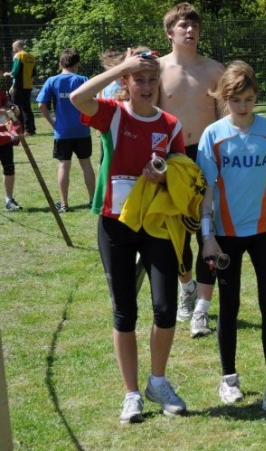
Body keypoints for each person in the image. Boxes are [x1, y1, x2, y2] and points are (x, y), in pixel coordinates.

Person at [69, 47, 188, 424]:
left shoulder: (171, 124)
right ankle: (132, 394)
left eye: (153, 79)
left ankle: (158, 381)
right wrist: (125, 64)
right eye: (139, 79)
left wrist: (164, 173)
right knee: (125, 311)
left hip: (157, 224)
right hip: (116, 224)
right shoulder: (113, 115)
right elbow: (77, 98)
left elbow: (183, 173)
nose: (147, 86)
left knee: (166, 308)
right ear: (126, 82)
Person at [196, 61, 266, 417]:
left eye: (250, 100)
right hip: (225, 237)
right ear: (225, 99)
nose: (243, 107)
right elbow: (206, 189)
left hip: (263, 233)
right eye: (237, 100)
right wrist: (208, 236)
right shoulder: (213, 135)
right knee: (231, 305)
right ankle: (229, 378)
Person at [157, 2, 225, 338]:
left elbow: (227, 121)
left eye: (194, 25)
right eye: (183, 25)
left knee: (208, 233)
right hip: (171, 158)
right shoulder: (155, 70)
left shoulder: (214, 71)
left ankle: (201, 309)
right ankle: (186, 287)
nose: (190, 30)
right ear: (169, 32)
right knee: (176, 236)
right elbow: (149, 118)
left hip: (206, 158)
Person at [36, 49, 97, 212]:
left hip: (62, 131)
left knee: (64, 166)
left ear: (60, 63)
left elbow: (41, 104)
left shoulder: (52, 80)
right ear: (77, 64)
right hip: (82, 130)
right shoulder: (83, 79)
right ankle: (93, 201)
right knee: (86, 164)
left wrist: (52, 122)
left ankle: (64, 204)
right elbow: (94, 101)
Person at [3, 39, 37, 135]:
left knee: (16, 107)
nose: (13, 50)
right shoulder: (31, 57)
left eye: (13, 48)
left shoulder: (19, 55)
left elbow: (14, 73)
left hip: (19, 85)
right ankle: (30, 129)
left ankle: (19, 129)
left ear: (17, 47)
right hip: (28, 85)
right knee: (27, 107)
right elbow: (34, 74)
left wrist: (7, 74)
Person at [0, 90, 22, 210]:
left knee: (9, 167)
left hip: (4, 137)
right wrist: (3, 111)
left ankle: (9, 200)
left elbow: (6, 102)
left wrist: (12, 107)